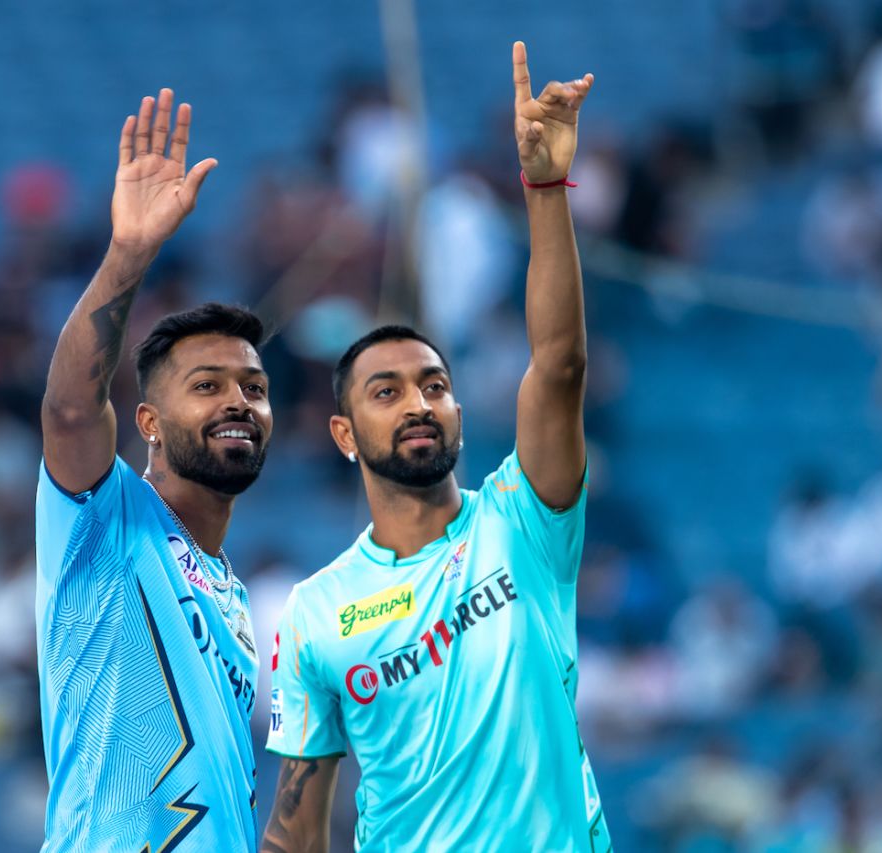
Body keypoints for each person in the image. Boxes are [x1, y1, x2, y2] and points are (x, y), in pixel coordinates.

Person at [261, 43, 612, 851]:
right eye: (386, 392)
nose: (419, 402)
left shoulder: (524, 519)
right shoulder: (317, 610)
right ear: (343, 433)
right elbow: (294, 830)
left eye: (434, 384)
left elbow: (558, 365)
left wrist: (546, 188)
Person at [36, 88, 270, 852]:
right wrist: (129, 254)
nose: (237, 399)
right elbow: (71, 411)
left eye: (254, 388)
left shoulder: (235, 595)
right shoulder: (104, 519)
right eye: (206, 386)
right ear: (148, 424)